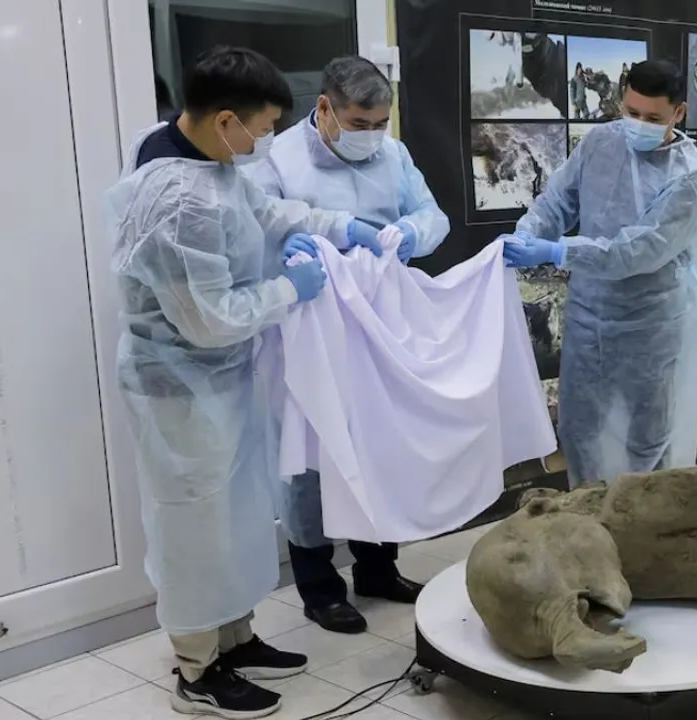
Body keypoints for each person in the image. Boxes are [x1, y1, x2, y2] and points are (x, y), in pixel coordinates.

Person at [105, 46, 391, 719]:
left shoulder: (207, 156)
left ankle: (235, 638)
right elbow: (210, 320)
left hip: (221, 381)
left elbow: (264, 214)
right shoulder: (176, 200)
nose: (266, 142)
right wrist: (289, 288)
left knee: (233, 519)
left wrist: (336, 226)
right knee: (194, 529)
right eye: (262, 129)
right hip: (179, 386)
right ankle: (197, 670)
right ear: (226, 119)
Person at [245, 55, 449, 635]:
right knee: (308, 456)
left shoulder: (393, 153)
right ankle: (318, 586)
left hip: (377, 326)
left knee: (375, 442)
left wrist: (412, 233)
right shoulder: (276, 158)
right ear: (326, 109)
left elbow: (432, 215)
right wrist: (291, 254)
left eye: (381, 123)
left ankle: (378, 568)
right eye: (360, 124)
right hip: (304, 328)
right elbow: (257, 227)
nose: (372, 136)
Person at [500, 59, 697, 487]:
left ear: (679, 113)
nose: (637, 124)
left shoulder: (688, 179)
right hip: (589, 313)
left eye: (652, 118)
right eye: (631, 112)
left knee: (647, 440)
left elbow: (636, 251)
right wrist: (530, 232)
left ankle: (647, 534)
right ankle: (589, 526)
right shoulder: (600, 143)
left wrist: (558, 250)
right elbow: (558, 200)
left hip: (651, 323)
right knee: (580, 429)